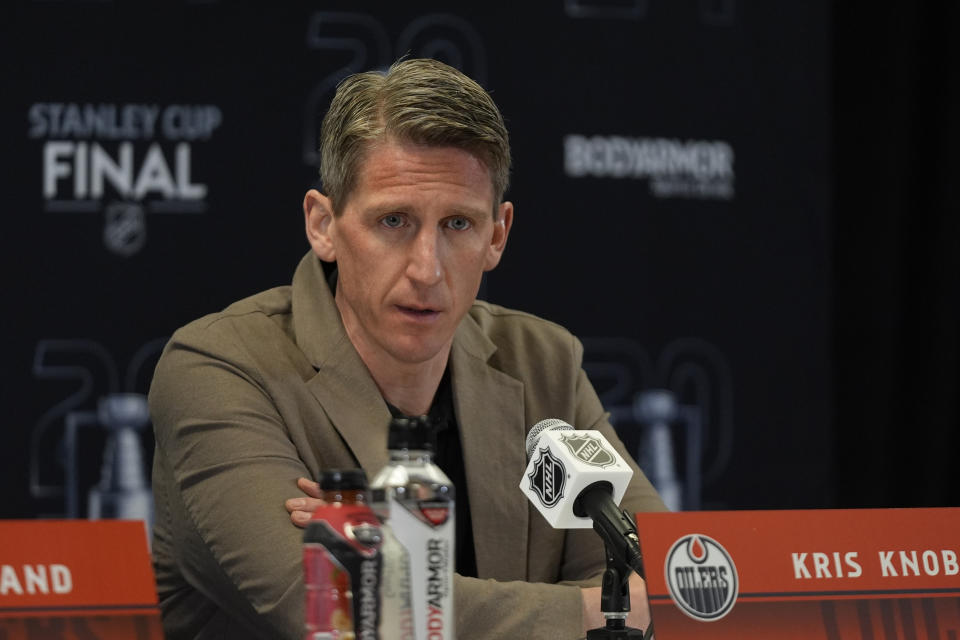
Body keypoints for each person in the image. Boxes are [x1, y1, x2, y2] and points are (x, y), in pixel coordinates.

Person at [149, 58, 666, 640]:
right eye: (394, 221)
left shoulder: (543, 362)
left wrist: (394, 573)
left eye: (458, 225)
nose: (427, 268)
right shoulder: (220, 369)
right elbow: (336, 611)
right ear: (323, 225)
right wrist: (601, 612)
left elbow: (662, 581)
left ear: (498, 234)